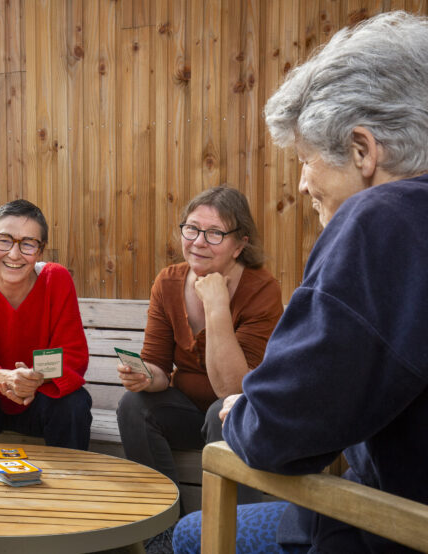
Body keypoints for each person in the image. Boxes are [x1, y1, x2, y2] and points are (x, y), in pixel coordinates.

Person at [173, 11, 428, 553]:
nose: (303, 181)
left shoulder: (384, 220)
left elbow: (279, 428)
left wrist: (243, 411)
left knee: (190, 533)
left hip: (392, 528)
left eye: (307, 159)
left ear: (363, 150)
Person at [116, 186, 283, 509]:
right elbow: (159, 368)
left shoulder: (261, 289)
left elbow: (234, 388)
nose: (198, 242)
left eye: (215, 233)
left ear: (239, 245)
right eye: (191, 228)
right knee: (134, 405)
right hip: (187, 414)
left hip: (242, 416)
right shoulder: (168, 282)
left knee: (222, 413)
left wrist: (217, 308)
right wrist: (146, 377)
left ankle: (230, 534)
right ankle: (161, 528)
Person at [0, 199, 92, 449]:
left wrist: (31, 380)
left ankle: (68, 484)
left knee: (73, 404)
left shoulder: (57, 279)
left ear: (40, 251)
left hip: (39, 394)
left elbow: (72, 354)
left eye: (28, 244)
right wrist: (10, 378)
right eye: (4, 240)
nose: (14, 254)